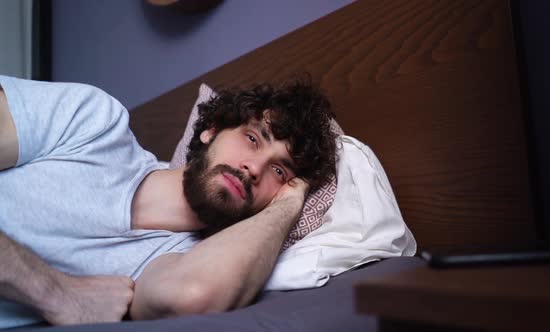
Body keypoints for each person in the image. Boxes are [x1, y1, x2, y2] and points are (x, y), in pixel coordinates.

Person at [0, 74, 337, 328]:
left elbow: (191, 294)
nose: (254, 168)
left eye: (279, 171)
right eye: (252, 138)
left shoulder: (180, 258)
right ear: (211, 130)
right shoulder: (91, 123)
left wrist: (289, 204)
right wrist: (55, 292)